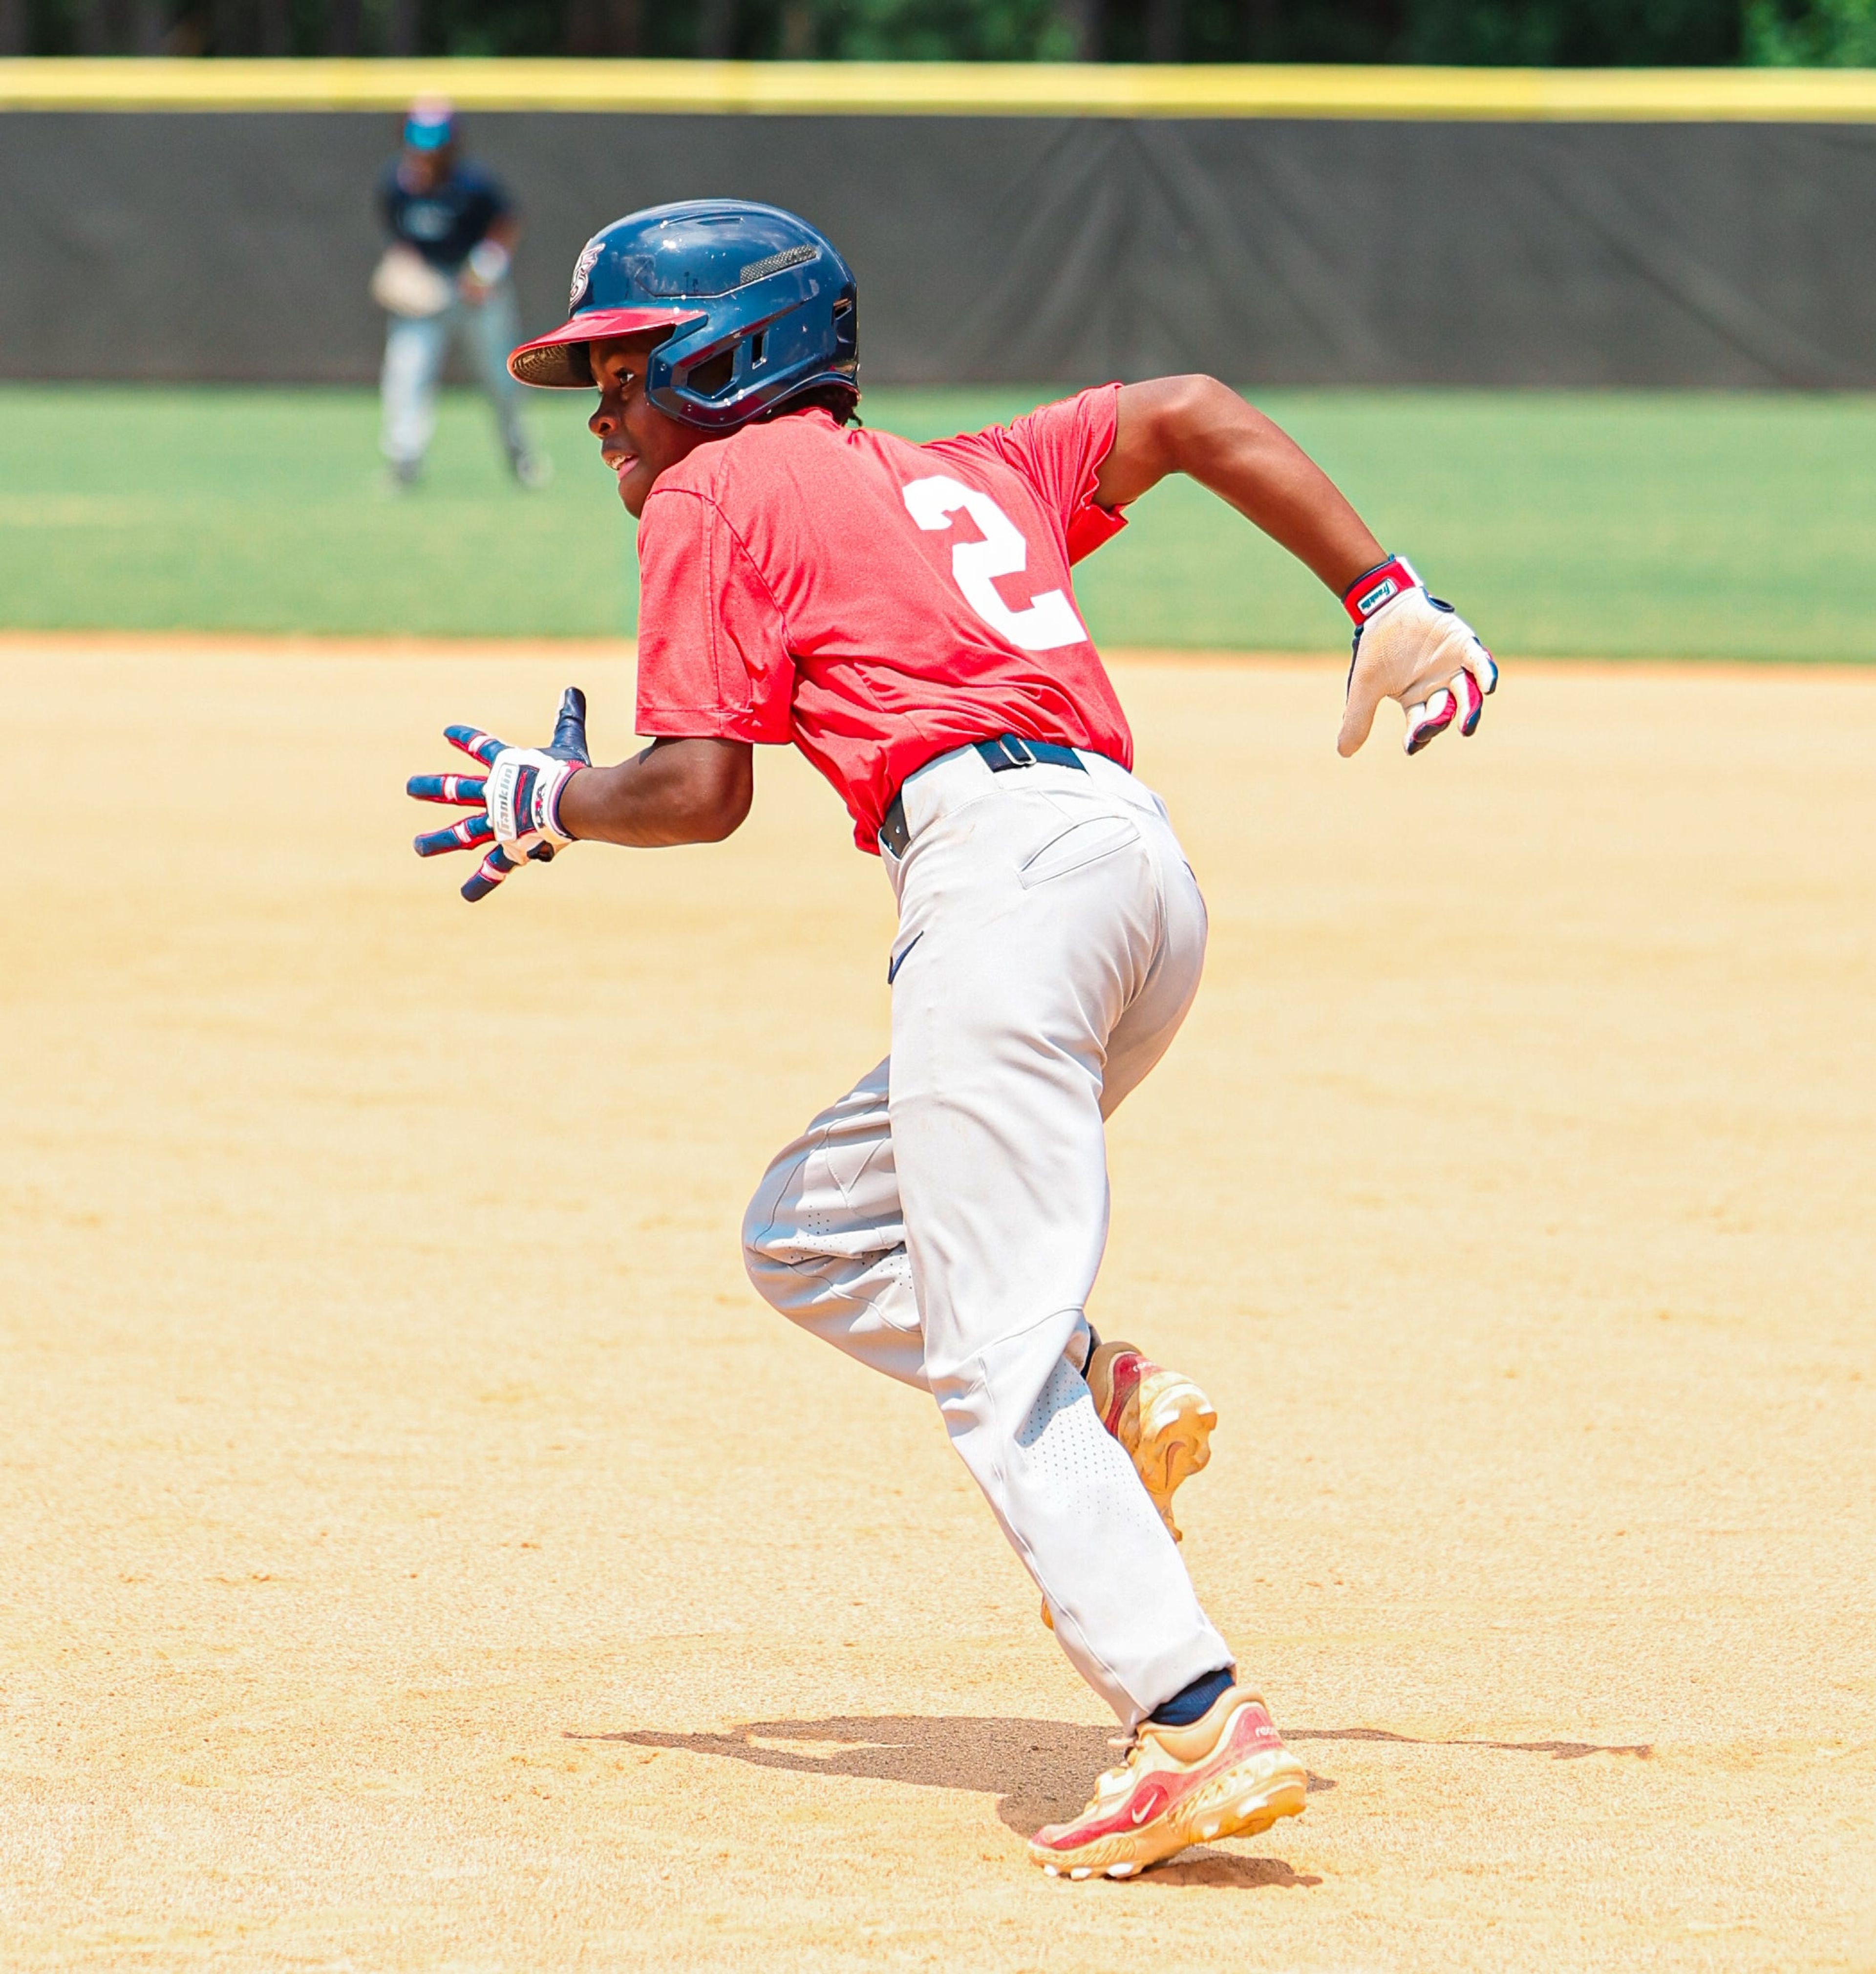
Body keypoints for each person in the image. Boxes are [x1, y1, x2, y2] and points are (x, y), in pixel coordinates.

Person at [405, 201, 1497, 1879]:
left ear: (723, 359)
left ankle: (1194, 1723)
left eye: (618, 366)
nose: (600, 408)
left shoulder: (715, 487)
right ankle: (1101, 1383)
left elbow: (701, 790)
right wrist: (1382, 592)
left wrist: (547, 799)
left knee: (989, 1370)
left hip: (996, 897)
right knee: (812, 1232)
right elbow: (1192, 409)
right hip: (1137, 877)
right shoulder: (975, 470)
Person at [373, 98, 547, 490]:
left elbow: (505, 223)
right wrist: (404, 271)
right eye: (419, 141)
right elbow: (399, 238)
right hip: (426, 294)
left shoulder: (473, 183)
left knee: (501, 381)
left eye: (434, 143)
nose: (426, 152)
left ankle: (522, 460)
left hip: (477, 295)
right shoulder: (397, 184)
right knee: (406, 376)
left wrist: (486, 265)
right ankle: (404, 465)